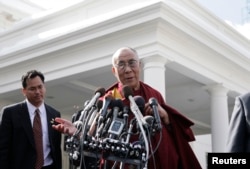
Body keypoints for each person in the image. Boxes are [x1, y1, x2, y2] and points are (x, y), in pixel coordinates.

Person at [53, 47, 201, 169]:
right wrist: (77, 132)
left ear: (140, 65)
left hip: (153, 161)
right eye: (121, 65)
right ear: (114, 70)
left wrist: (166, 117)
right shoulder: (108, 99)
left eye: (132, 63)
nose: (128, 69)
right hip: (118, 162)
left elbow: (171, 133)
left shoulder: (153, 94)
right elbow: (92, 138)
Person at [0, 70, 62, 169]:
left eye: (40, 87)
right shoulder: (10, 113)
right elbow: (3, 149)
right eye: (32, 89)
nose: (37, 92)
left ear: (44, 86)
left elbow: (56, 148)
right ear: (24, 91)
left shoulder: (54, 114)